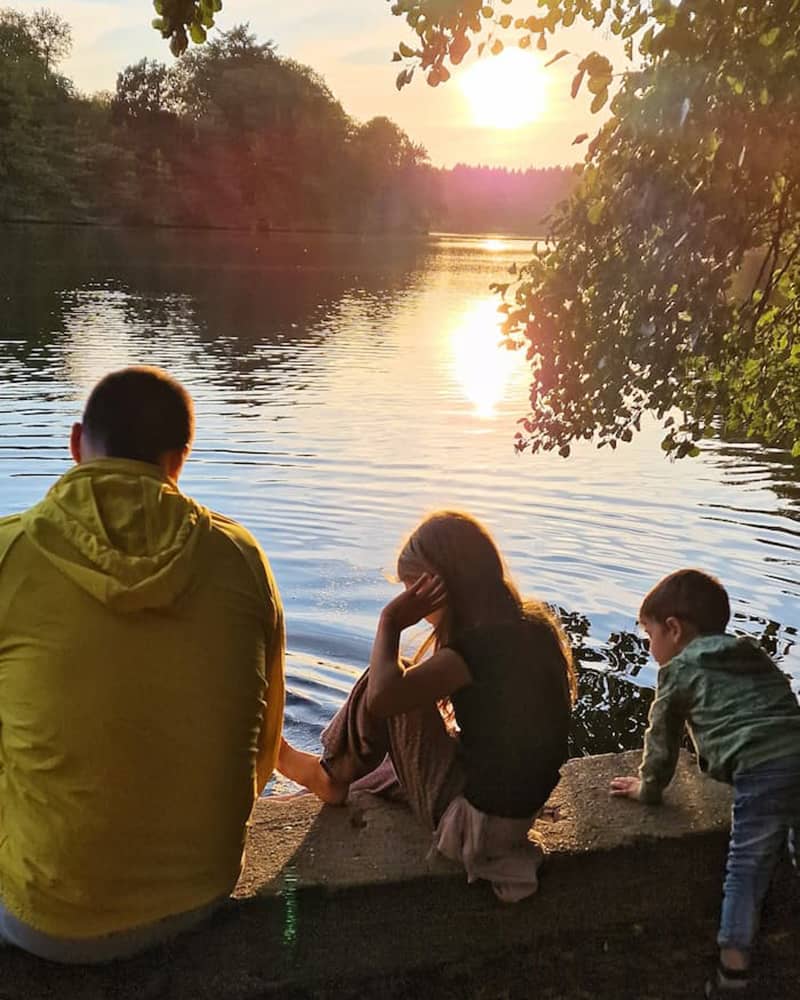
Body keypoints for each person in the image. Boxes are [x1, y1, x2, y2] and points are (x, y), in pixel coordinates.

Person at [0, 366, 285, 963]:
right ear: (180, 458)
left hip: (39, 914)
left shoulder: (11, 554)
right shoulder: (241, 561)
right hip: (200, 891)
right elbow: (263, 746)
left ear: (77, 443)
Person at [278, 510, 576, 901]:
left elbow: (384, 699)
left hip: (476, 826)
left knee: (384, 678)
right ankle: (339, 770)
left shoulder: (474, 651)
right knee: (399, 712)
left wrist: (390, 622)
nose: (414, 607)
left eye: (414, 595)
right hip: (513, 815)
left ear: (443, 588)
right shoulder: (533, 627)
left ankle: (330, 775)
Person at [610, 569, 800, 997]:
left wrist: (648, 788)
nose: (649, 648)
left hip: (760, 767)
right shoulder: (748, 651)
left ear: (673, 630)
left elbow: (660, 741)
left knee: (745, 867)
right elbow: (780, 698)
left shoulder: (678, 670)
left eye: (649, 635)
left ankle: (733, 970)